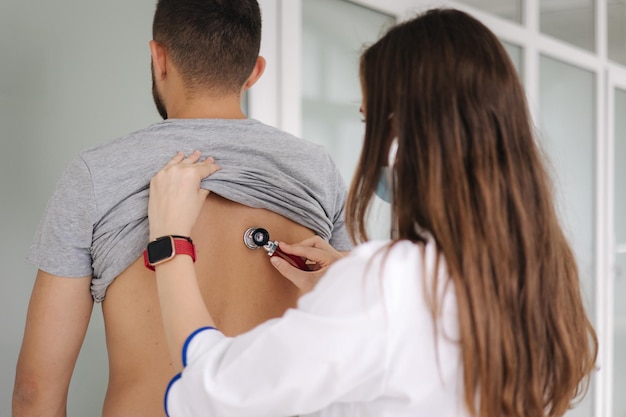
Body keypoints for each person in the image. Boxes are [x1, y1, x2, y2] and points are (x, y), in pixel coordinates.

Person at [145, 8, 598, 417]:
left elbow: (213, 391)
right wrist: (344, 287)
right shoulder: (542, 281)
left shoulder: (388, 286)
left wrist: (171, 241)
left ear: (401, 138)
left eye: (369, 120)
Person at [13, 1, 351, 416]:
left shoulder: (95, 174)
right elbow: (357, 344)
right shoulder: (317, 170)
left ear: (159, 58)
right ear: (254, 71)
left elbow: (34, 391)